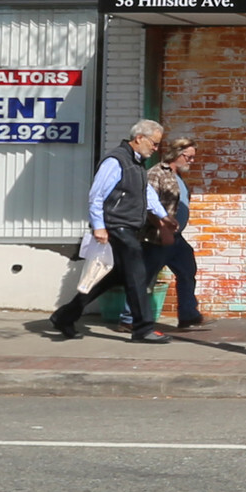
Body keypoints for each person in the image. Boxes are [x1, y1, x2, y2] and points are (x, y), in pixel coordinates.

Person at [49, 119, 171, 342]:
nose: (155, 148)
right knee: (137, 273)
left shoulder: (136, 164)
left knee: (112, 276)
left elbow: (147, 194)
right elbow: (96, 195)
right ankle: (143, 328)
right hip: (116, 226)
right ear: (139, 138)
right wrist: (99, 227)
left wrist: (164, 216)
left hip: (127, 227)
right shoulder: (116, 161)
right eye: (153, 143)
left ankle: (65, 315)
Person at [138, 137, 205, 330]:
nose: (191, 161)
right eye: (189, 157)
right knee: (145, 278)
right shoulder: (156, 174)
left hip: (176, 237)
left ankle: (189, 315)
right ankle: (128, 319)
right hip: (157, 237)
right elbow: (148, 205)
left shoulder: (178, 176)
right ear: (177, 154)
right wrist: (162, 228)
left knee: (187, 271)